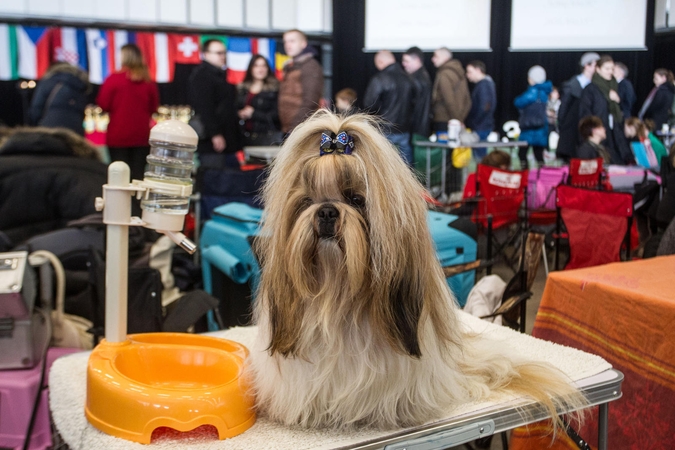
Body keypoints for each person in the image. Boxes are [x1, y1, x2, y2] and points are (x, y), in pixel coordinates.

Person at [96, 44, 159, 181]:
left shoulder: (113, 79)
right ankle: (135, 203)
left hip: (118, 135)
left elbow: (103, 104)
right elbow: (154, 108)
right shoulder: (148, 81)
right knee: (137, 178)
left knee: (118, 178)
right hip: (141, 136)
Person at [188, 39, 240, 169]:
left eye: (224, 53)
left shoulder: (219, 74)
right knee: (214, 178)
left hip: (224, 135)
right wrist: (215, 134)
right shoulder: (202, 76)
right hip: (212, 139)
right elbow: (205, 108)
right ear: (206, 54)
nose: (223, 56)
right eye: (218, 53)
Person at [579, 55, 633, 165]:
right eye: (607, 69)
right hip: (599, 135)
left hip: (615, 134)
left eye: (612, 69)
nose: (610, 72)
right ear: (598, 69)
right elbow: (585, 114)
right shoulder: (591, 89)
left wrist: (618, 101)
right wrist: (594, 130)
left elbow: (622, 110)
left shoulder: (616, 87)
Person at [363, 50, 414, 164]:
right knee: (407, 167)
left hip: (384, 129)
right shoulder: (408, 78)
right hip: (404, 129)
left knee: (383, 165)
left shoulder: (380, 79)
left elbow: (369, 104)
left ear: (380, 62)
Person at [278, 29, 324, 134]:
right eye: (286, 41)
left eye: (292, 41)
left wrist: (295, 128)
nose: (288, 45)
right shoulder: (289, 66)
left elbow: (311, 101)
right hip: (289, 128)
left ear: (303, 44)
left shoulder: (310, 66)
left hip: (300, 129)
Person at [557, 52, 600, 161]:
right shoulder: (572, 86)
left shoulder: (596, 86)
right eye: (596, 65)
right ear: (586, 65)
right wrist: (562, 129)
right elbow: (563, 110)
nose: (598, 69)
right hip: (571, 135)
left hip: (586, 135)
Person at [29, 62, 90, 136]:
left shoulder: (48, 81)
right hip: (75, 129)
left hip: (50, 127)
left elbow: (36, 108)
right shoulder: (81, 84)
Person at [236, 54, 281, 147]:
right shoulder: (242, 89)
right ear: (251, 68)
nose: (260, 69)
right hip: (244, 138)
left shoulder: (275, 89)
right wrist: (240, 113)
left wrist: (254, 114)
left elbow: (277, 115)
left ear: (267, 68)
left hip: (267, 138)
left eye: (263, 66)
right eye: (256, 65)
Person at [514, 65, 552, 168]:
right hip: (541, 127)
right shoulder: (545, 92)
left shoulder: (533, 92)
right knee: (539, 155)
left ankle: (525, 177)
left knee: (522, 154)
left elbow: (518, 102)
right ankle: (541, 177)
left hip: (529, 128)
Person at [430, 47, 471, 133]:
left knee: (443, 146)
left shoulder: (444, 74)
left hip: (444, 120)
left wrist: (457, 120)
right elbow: (468, 101)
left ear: (445, 58)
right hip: (457, 120)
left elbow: (449, 100)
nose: (433, 59)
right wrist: (460, 119)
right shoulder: (460, 72)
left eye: (436, 56)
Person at [402, 46, 432, 139]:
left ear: (417, 60)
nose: (404, 64)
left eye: (407, 61)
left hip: (415, 128)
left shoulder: (416, 80)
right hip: (421, 127)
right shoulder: (424, 77)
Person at [465, 60, 496, 140]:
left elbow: (485, 106)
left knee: (479, 151)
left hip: (481, 126)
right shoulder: (485, 84)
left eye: (469, 72)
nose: (467, 75)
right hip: (482, 125)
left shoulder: (484, 85)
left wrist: (474, 122)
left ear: (478, 70)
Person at [638, 68, 675, 132]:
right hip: (663, 120)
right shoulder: (670, 91)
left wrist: (645, 115)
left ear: (663, 78)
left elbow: (654, 105)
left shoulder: (661, 90)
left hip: (654, 121)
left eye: (656, 78)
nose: (654, 81)